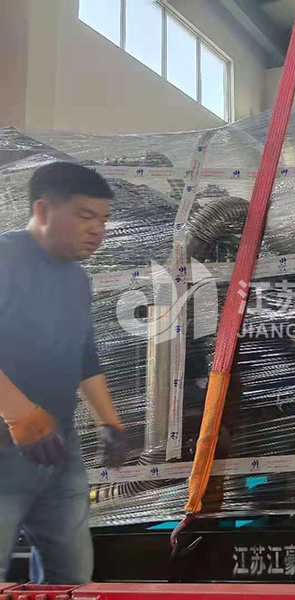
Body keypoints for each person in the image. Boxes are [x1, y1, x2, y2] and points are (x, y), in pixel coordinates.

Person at [0, 162, 128, 584]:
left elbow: (84, 357)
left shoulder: (76, 280)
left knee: (71, 579)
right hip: (7, 441)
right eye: (85, 216)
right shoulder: (5, 259)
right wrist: (20, 416)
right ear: (42, 210)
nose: (98, 230)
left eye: (104, 220)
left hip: (58, 446)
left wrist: (108, 421)